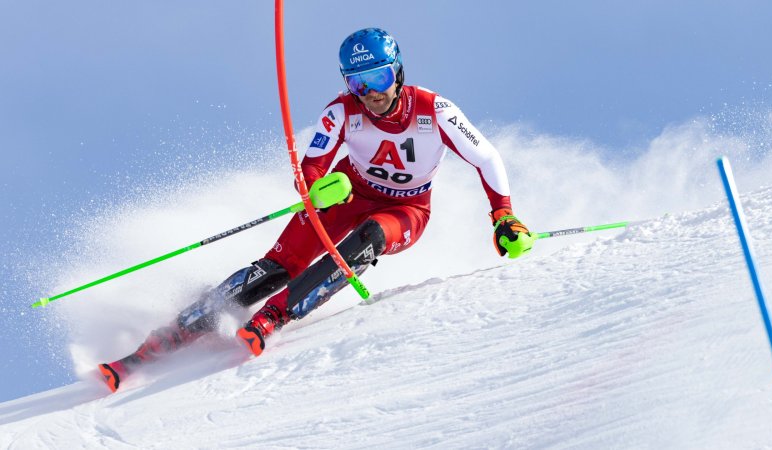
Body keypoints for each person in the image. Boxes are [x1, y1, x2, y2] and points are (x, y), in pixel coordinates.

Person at [98, 28, 534, 392]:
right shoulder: (342, 111)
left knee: (365, 243)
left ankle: (275, 316)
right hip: (348, 194)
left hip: (406, 209)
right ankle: (169, 337)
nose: (371, 94)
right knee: (277, 265)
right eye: (359, 84)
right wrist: (317, 186)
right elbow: (311, 165)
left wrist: (503, 215)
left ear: (397, 71)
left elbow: (487, 158)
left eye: (379, 79)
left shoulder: (434, 110)